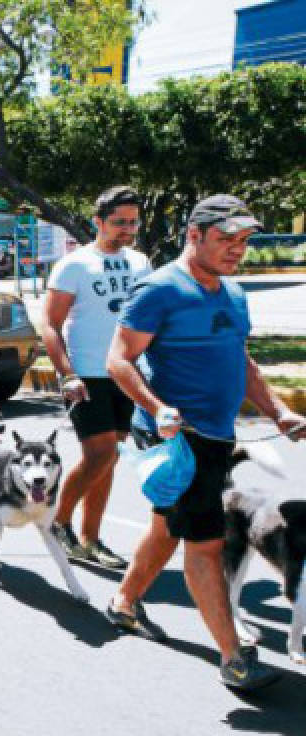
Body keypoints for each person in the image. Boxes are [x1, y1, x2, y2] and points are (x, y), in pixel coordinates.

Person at [106, 194, 306, 691]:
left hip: (215, 435)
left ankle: (124, 604)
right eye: (226, 239)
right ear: (194, 235)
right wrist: (157, 408)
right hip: (177, 438)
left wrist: (277, 411)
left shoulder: (233, 293)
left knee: (167, 528)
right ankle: (234, 657)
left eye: (243, 241)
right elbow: (119, 359)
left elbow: (241, 361)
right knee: (206, 542)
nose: (237, 249)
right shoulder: (159, 289)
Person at [43, 186, 152, 569]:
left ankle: (89, 538)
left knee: (110, 458)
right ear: (98, 222)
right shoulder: (74, 264)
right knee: (100, 454)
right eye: (119, 222)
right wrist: (67, 373)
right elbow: (50, 324)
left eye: (132, 222)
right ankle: (58, 523)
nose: (127, 229)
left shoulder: (141, 263)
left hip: (126, 372)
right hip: (87, 375)